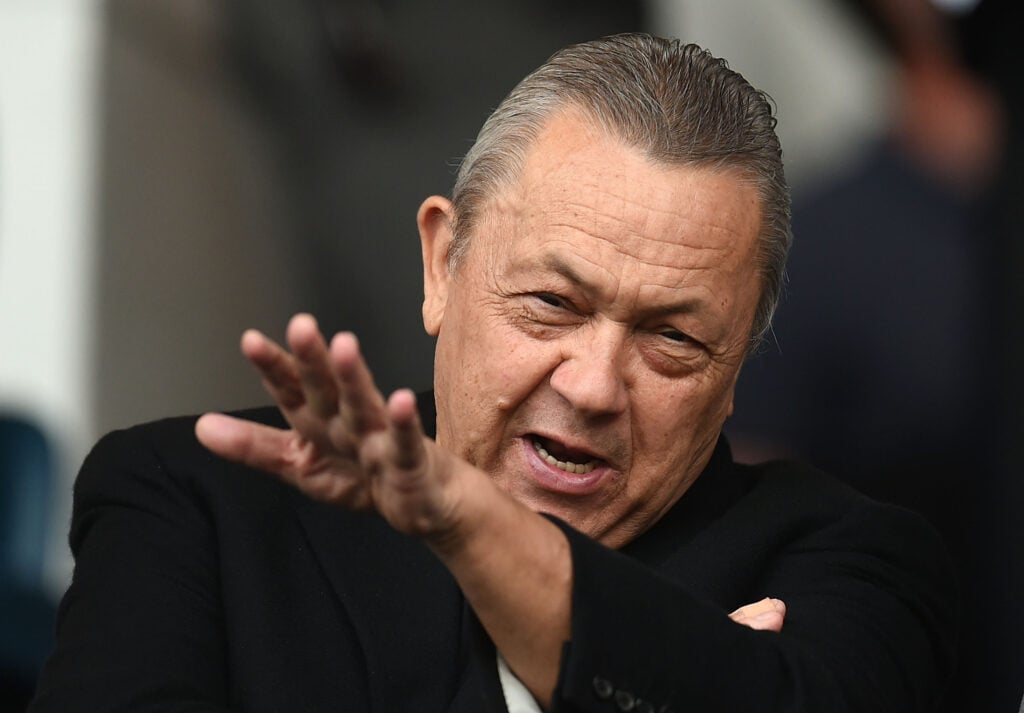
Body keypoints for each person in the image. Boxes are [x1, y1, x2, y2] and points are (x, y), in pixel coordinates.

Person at [29, 34, 954, 712]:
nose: (594, 386)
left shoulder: (849, 563)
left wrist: (468, 521)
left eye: (673, 338)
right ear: (442, 264)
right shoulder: (190, 503)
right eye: (553, 302)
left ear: (742, 355)